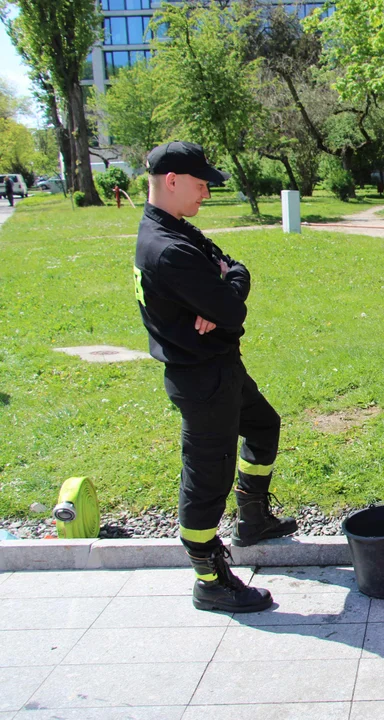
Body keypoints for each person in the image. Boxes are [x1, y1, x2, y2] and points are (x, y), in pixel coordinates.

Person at [134, 141, 297, 613]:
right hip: (201, 379)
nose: (206, 193)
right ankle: (210, 578)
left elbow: (236, 273)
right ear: (172, 181)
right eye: (201, 183)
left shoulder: (177, 230)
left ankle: (253, 518)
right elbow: (231, 309)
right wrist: (224, 298)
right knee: (206, 478)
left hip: (221, 367)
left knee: (264, 425)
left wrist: (226, 287)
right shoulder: (167, 248)